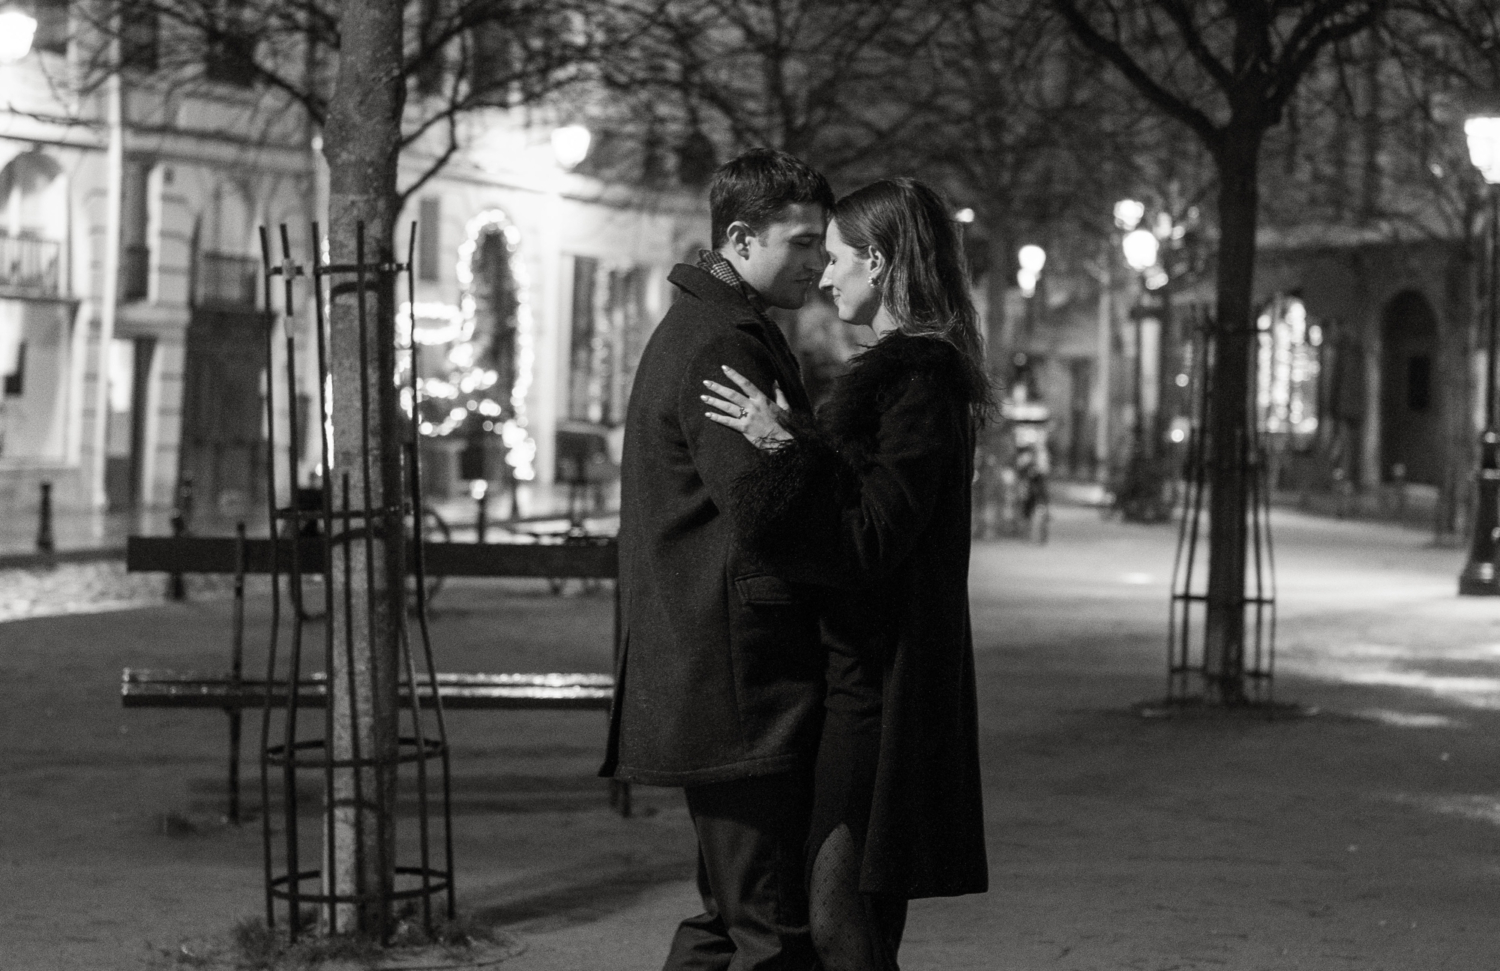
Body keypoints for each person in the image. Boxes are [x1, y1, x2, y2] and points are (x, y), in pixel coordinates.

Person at [701, 177, 992, 970]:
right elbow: (869, 500)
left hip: (882, 690)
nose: (825, 278)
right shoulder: (907, 375)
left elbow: (869, 538)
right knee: (845, 913)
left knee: (841, 921)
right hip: (865, 680)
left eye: (836, 258)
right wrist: (801, 443)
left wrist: (785, 450)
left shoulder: (917, 377)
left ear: (882, 260)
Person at [600, 148, 835, 971]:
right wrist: (808, 446)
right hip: (740, 681)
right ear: (740, 237)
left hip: (719, 674)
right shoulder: (721, 344)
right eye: (802, 242)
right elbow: (766, 508)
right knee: (770, 933)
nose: (819, 261)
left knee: (728, 916)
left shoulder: (711, 328)